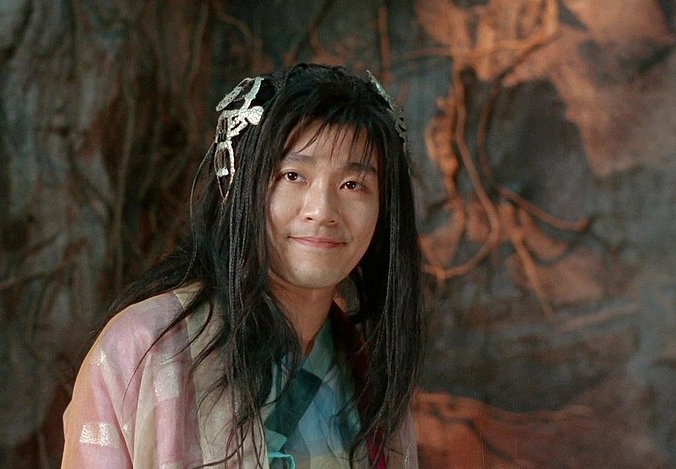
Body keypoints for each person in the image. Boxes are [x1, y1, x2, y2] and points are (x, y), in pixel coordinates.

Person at [62, 63, 424, 468]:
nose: (322, 211)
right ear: (239, 187)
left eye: (353, 185)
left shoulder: (369, 378)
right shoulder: (144, 346)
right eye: (292, 175)